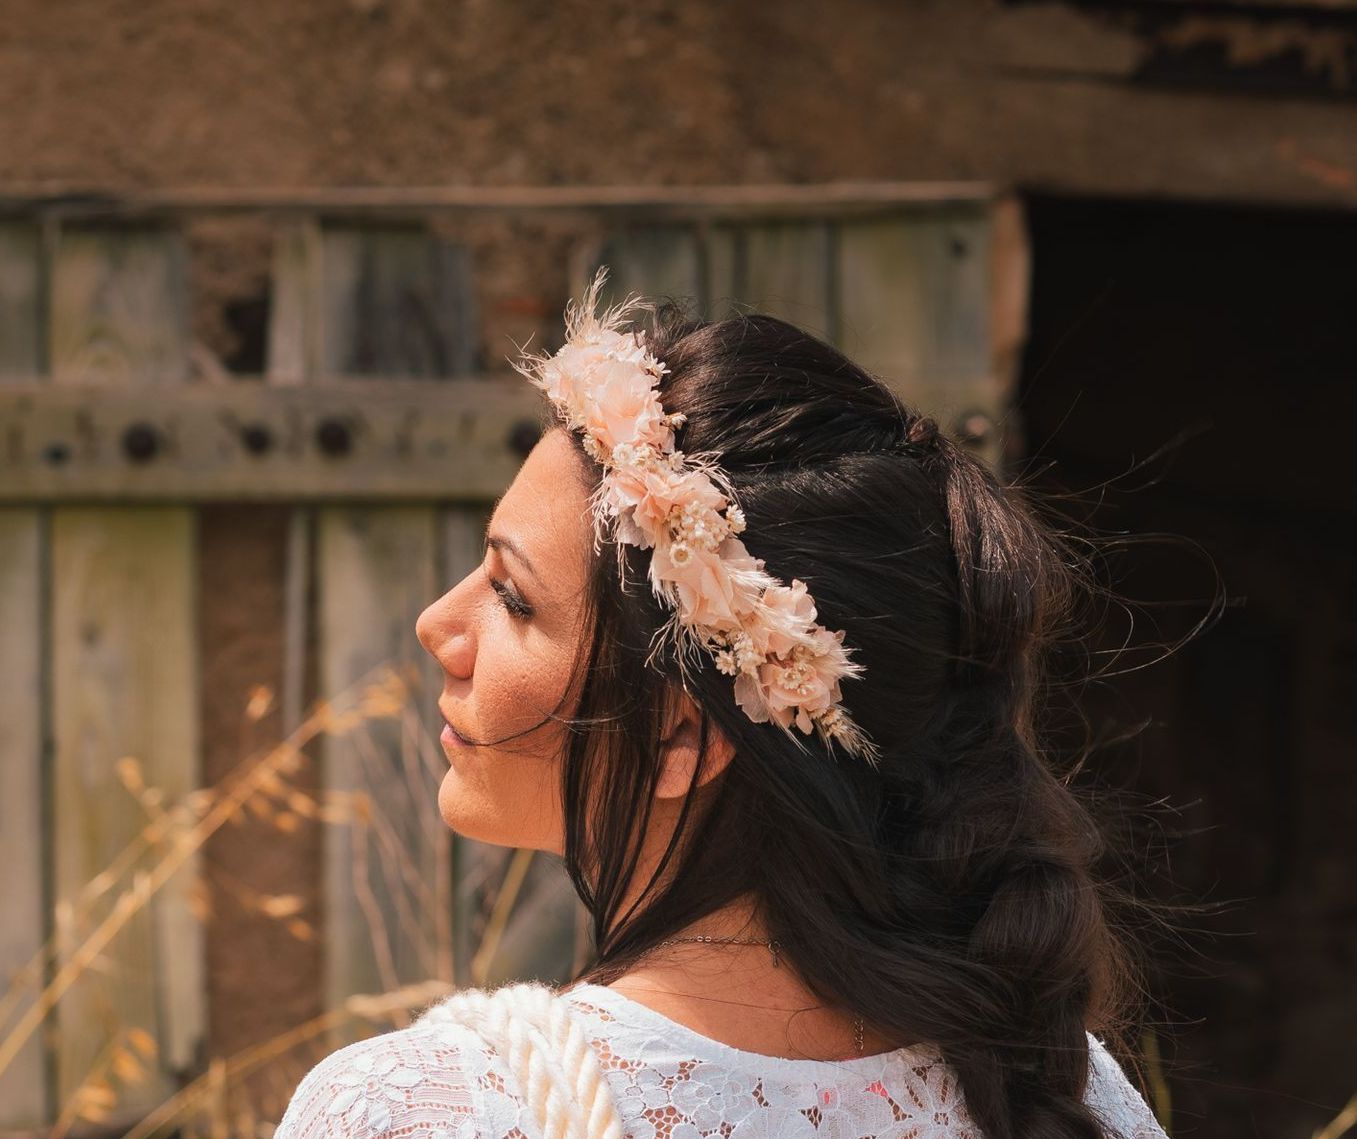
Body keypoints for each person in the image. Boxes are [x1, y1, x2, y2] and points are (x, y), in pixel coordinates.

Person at [273, 271, 1170, 1139]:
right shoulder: (1068, 1100)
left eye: (513, 597)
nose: (438, 624)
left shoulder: (425, 1111)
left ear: (682, 731)